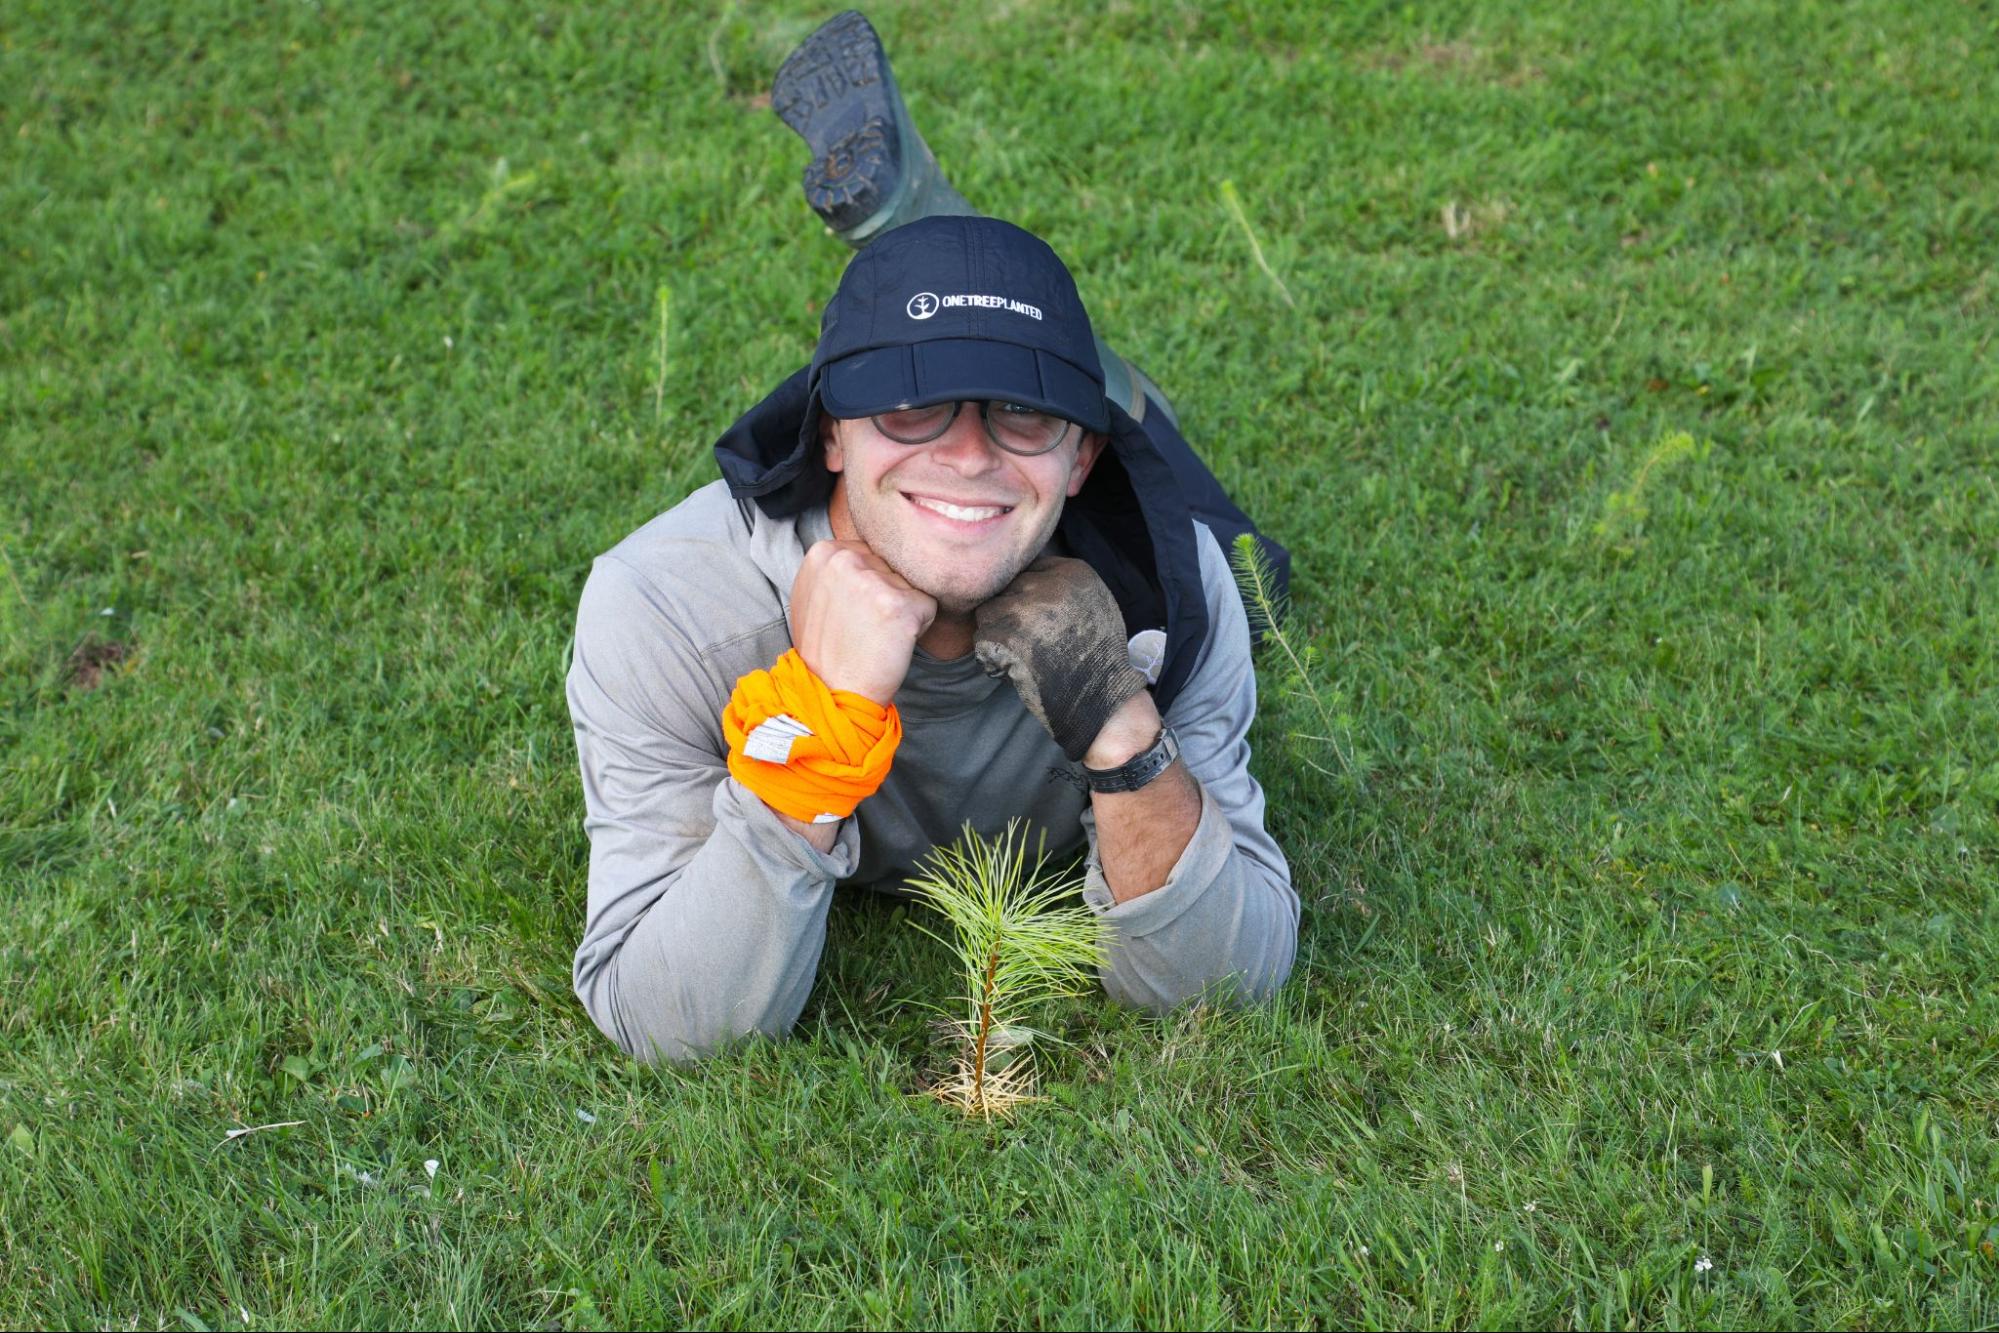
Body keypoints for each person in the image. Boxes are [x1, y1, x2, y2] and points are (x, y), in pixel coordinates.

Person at [566, 11, 1298, 1063]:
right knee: (1035, 383)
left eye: (1023, 417)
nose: (966, 456)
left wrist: (1121, 730)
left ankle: (1102, 390)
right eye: (910, 410)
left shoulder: (1169, 596)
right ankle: (1013, 329)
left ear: (1081, 460)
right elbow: (666, 1018)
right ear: (827, 433)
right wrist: (816, 724)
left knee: (1243, 554)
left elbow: (1222, 989)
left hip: (1145, 520)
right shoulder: (669, 608)